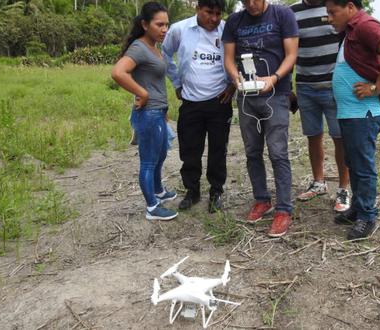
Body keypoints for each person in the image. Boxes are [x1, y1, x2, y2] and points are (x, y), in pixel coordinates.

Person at [325, 0, 380, 239]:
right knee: (355, 163)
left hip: (364, 113)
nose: (329, 18)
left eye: (332, 12)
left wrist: (378, 86)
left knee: (363, 166)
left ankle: (367, 215)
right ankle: (358, 207)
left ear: (349, 7)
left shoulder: (364, 25)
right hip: (351, 114)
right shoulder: (351, 31)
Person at [222, 0, 299, 237]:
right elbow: (228, 57)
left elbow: (291, 54)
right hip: (247, 96)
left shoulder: (282, 15)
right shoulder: (236, 20)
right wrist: (236, 79)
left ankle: (284, 209)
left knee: (277, 152)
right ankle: (261, 199)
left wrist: (274, 77)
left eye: (254, 0)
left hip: (275, 94)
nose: (251, 4)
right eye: (245, 1)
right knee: (252, 151)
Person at [162, 0, 236, 214]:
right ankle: (192, 191)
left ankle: (216, 192)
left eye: (218, 13)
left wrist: (232, 85)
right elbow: (165, 54)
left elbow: (238, 57)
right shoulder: (179, 30)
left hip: (219, 102)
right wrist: (176, 83)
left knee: (218, 150)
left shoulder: (227, 31)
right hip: (191, 102)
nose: (213, 18)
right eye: (208, 12)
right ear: (198, 9)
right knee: (190, 150)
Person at [111, 2, 178, 221]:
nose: (164, 29)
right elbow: (118, 72)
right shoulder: (139, 48)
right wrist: (143, 93)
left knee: (160, 155)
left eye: (167, 24)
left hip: (158, 112)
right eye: (159, 24)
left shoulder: (153, 47)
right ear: (144, 24)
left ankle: (158, 191)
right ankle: (152, 207)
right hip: (148, 112)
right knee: (148, 161)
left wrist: (162, 109)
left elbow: (153, 80)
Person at [290, 0, 351, 213]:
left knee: (340, 138)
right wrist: (289, 86)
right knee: (313, 136)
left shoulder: (334, 6)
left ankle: (343, 189)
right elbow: (288, 49)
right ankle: (318, 182)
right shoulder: (293, 12)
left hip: (334, 86)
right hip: (305, 86)